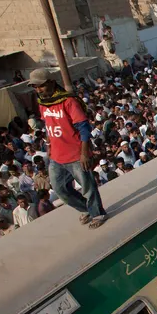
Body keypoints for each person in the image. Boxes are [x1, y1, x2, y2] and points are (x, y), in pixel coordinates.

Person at [29, 68, 107, 229]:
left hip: (76, 154)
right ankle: (85, 208)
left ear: (51, 83)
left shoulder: (68, 101)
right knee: (60, 190)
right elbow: (48, 124)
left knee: (87, 187)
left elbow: (83, 127)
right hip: (57, 156)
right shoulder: (43, 104)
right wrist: (49, 145)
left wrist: (84, 152)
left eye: (41, 86)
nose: (38, 90)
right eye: (35, 87)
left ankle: (98, 213)